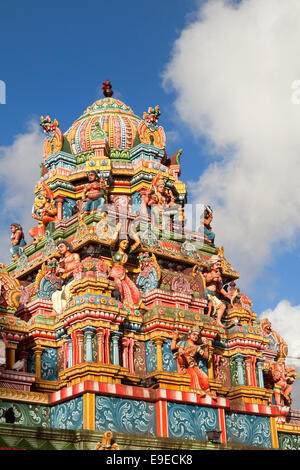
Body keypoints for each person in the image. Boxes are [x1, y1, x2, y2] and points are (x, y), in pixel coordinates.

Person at [109, 226, 148, 314]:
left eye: (127, 243)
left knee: (132, 287)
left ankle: (140, 305)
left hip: (123, 273)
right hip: (115, 273)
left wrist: (132, 232)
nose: (126, 245)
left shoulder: (127, 252)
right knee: (118, 286)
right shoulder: (114, 252)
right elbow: (112, 242)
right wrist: (117, 230)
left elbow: (137, 242)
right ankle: (119, 303)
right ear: (119, 244)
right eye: (124, 243)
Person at [171, 328, 216, 399]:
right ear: (189, 335)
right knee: (194, 376)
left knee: (204, 376)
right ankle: (198, 391)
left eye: (197, 336)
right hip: (185, 364)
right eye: (194, 334)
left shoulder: (197, 347)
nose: (195, 337)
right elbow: (173, 348)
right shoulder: (183, 343)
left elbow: (206, 356)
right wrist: (174, 337)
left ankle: (208, 392)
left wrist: (206, 346)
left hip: (193, 365)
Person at [204, 256, 231, 329]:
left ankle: (218, 320)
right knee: (210, 305)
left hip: (213, 296)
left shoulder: (219, 277)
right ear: (212, 266)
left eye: (219, 265)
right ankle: (207, 318)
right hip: (206, 294)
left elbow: (220, 288)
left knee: (223, 306)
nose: (218, 267)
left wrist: (227, 295)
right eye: (217, 265)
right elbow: (206, 281)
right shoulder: (208, 274)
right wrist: (213, 277)